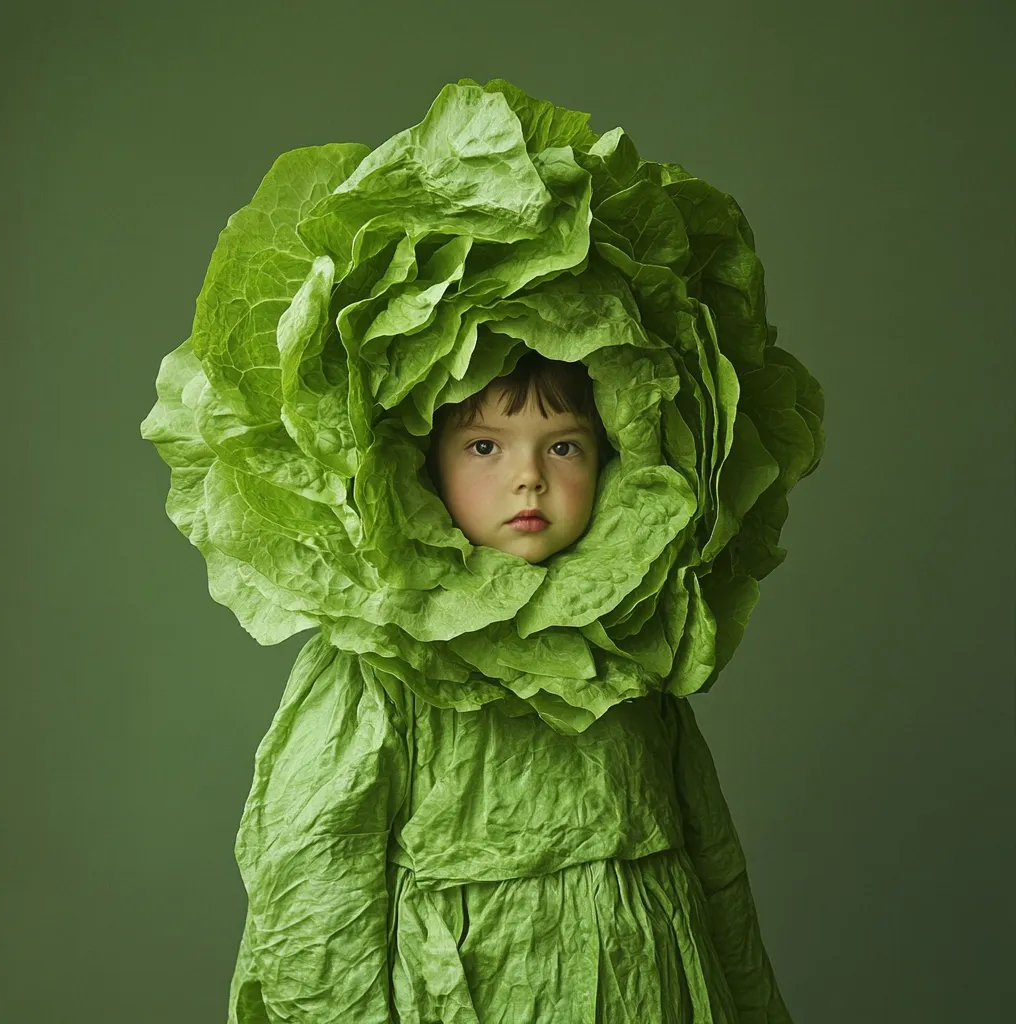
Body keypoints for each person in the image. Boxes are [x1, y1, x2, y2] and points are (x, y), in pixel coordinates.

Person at [141, 77, 822, 1023]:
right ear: (419, 460)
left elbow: (714, 867)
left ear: (624, 454)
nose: (529, 479)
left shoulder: (636, 650)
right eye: (485, 447)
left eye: (566, 446)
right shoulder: (381, 670)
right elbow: (316, 888)